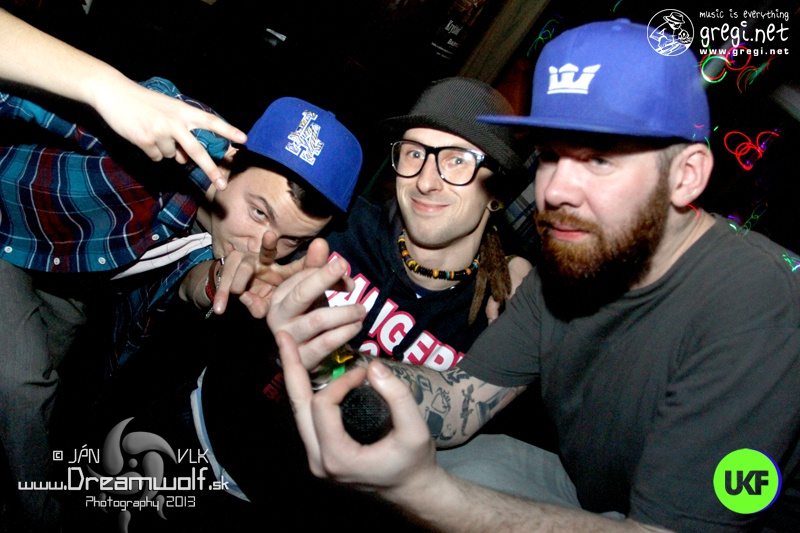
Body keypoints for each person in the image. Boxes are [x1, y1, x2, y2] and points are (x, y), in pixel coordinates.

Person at [273, 19, 800, 532]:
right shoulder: (570, 263)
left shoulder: (758, 301)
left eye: (598, 159)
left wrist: (422, 492)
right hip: (586, 489)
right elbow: (460, 403)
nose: (555, 190)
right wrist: (330, 362)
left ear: (685, 176)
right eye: (550, 155)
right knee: (459, 463)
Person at [0, 76, 362, 530]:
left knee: (34, 401)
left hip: (70, 271)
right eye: (258, 212)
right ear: (229, 163)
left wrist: (214, 285)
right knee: (20, 384)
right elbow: (31, 94)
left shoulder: (240, 248)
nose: (262, 244)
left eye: (292, 239)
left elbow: (187, 279)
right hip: (8, 223)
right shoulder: (160, 131)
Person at [193, 77, 533, 513]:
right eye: (414, 153)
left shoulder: (502, 317)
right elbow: (221, 218)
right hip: (198, 442)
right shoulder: (339, 225)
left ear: (497, 190)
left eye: (457, 160)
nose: (427, 181)